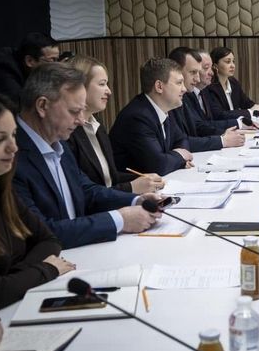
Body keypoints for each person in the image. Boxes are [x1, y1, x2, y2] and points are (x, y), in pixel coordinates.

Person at [13, 63, 161, 249]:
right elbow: (42, 232)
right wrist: (119, 219)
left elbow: (86, 191)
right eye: (74, 111)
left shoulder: (58, 142)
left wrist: (136, 200)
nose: (81, 120)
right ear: (42, 106)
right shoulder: (9, 157)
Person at [0, 95, 76, 309]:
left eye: (14, 135)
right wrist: (46, 269)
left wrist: (17, 278)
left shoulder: (3, 190)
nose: (13, 148)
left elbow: (50, 240)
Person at [65, 55, 164, 193]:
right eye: (102, 84)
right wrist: (131, 187)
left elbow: (110, 178)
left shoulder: (97, 124)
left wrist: (144, 179)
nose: (109, 91)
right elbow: (85, 192)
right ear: (80, 87)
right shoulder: (67, 133)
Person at [110, 58, 194, 175]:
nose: (184, 89)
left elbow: (182, 139)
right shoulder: (137, 117)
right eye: (179, 83)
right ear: (159, 86)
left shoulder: (165, 109)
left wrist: (176, 158)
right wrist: (180, 157)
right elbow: (158, 165)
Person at [167, 47, 245, 152]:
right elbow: (179, 142)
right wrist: (222, 140)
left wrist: (223, 135)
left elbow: (197, 126)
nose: (197, 78)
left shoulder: (189, 95)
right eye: (193, 72)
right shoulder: (171, 102)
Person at [0, 32, 59, 105]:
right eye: (52, 60)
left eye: (57, 60)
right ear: (29, 61)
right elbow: (23, 105)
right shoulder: (4, 72)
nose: (56, 66)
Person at [205, 47, 259, 120]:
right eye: (228, 62)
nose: (232, 65)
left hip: (238, 124)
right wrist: (250, 112)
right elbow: (220, 115)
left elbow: (246, 103)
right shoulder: (210, 87)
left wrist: (255, 107)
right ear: (215, 65)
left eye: (233, 61)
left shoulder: (233, 82)